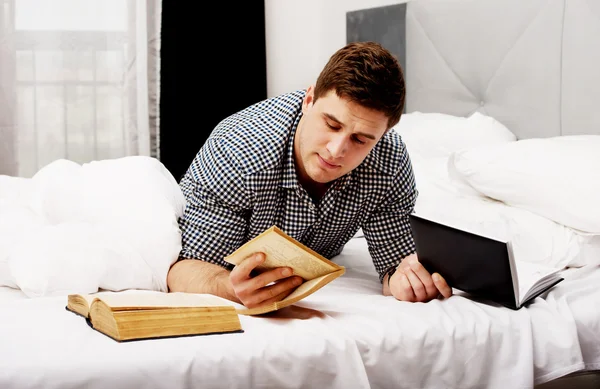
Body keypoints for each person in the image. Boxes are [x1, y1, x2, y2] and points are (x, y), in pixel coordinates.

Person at [167, 41, 452, 308]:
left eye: (361, 140)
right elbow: (183, 269)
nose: (336, 150)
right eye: (331, 124)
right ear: (309, 99)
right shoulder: (238, 151)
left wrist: (405, 280)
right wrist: (229, 288)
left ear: (383, 135)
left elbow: (395, 263)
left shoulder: (388, 160)